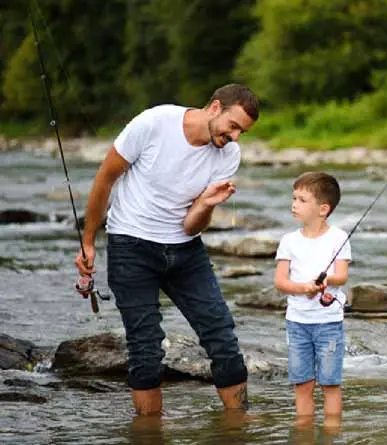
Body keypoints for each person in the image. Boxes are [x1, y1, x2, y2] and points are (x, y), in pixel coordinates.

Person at [74, 83, 259, 416]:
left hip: (186, 250)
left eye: (242, 132)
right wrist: (88, 240)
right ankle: (149, 435)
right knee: (145, 349)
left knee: (222, 337)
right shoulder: (154, 123)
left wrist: (205, 204)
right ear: (215, 108)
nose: (235, 137)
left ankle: (239, 428)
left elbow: (191, 226)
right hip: (130, 246)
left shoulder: (229, 154)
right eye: (233, 127)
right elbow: (105, 178)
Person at [273, 172, 351, 428]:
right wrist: (302, 288)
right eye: (293, 198)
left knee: (330, 383)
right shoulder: (288, 241)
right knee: (302, 383)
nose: (294, 204)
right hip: (297, 324)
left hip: (329, 323)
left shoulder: (338, 237)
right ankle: (304, 433)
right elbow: (280, 282)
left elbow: (342, 276)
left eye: (302, 200)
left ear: (323, 209)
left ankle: (331, 434)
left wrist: (326, 280)